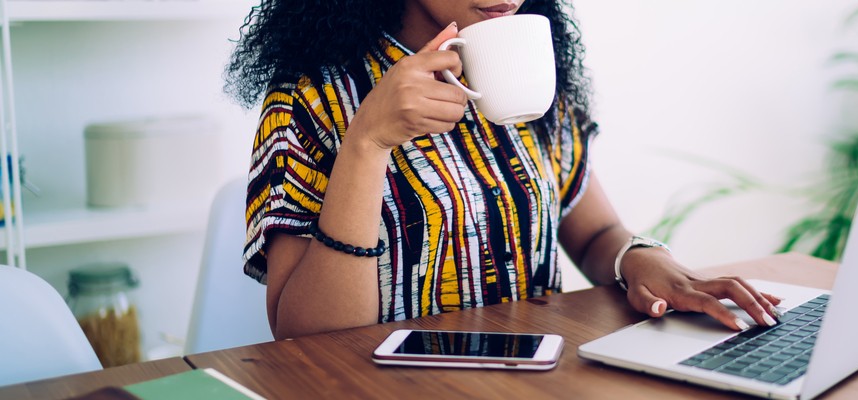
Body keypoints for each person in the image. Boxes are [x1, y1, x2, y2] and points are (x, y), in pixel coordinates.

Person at [226, 0, 782, 339]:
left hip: (533, 380)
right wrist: (369, 142)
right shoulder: (310, 102)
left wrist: (641, 256)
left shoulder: (526, 71)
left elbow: (591, 231)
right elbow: (308, 335)